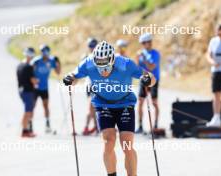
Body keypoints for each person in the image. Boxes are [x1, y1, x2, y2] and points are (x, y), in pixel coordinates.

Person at [63, 41, 156, 176]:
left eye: (105, 66)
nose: (103, 71)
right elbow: (74, 75)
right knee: (108, 141)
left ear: (112, 60)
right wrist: (70, 78)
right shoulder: (88, 63)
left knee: (127, 144)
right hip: (103, 104)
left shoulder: (125, 64)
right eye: (99, 65)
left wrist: (148, 79)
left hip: (125, 104)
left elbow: (152, 78)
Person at [31, 44, 61, 133]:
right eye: (42, 52)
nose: (43, 54)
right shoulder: (36, 61)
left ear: (48, 52)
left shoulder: (51, 61)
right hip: (35, 87)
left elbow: (58, 72)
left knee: (46, 106)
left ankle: (47, 124)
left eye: (45, 52)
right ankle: (30, 124)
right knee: (32, 106)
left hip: (44, 87)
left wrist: (58, 63)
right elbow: (30, 72)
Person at [136, 33, 161, 133]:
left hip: (153, 79)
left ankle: (155, 125)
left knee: (154, 102)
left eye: (149, 42)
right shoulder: (140, 53)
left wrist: (144, 59)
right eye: (145, 43)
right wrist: (137, 59)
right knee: (140, 102)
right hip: (144, 79)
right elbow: (138, 68)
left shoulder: (155, 53)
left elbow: (151, 67)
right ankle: (140, 125)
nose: (148, 44)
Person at [206, 24, 221, 127]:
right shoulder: (213, 41)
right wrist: (213, 62)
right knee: (216, 95)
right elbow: (208, 55)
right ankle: (216, 117)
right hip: (216, 71)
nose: (219, 33)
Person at [17, 47, 38, 137]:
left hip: (21, 90)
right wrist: (37, 81)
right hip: (28, 91)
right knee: (28, 112)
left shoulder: (19, 65)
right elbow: (33, 80)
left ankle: (25, 129)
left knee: (27, 111)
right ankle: (24, 131)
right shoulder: (29, 67)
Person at [82, 37, 99, 135]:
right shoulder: (86, 57)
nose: (92, 48)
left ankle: (95, 127)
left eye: (94, 46)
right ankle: (88, 127)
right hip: (90, 85)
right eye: (90, 46)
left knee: (95, 107)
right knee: (91, 106)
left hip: (98, 85)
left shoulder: (100, 56)